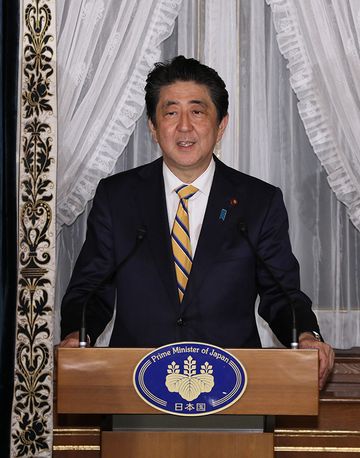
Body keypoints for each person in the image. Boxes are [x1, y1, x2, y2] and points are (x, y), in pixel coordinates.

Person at [60, 56, 334, 389]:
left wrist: (306, 334)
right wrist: (78, 334)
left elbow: (281, 293)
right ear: (152, 126)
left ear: (221, 126)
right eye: (171, 112)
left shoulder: (257, 202)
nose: (185, 126)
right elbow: (90, 290)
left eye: (198, 111)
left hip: (235, 388)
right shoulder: (118, 197)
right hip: (133, 388)